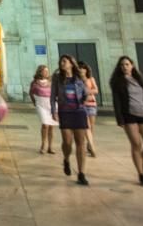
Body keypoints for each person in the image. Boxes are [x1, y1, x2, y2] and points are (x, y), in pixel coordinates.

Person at [110, 55, 143, 186]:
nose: (124, 67)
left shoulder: (139, 80)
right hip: (129, 115)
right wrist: (119, 118)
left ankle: (141, 161)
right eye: (122, 65)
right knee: (136, 144)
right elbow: (117, 102)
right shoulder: (117, 82)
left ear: (132, 65)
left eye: (127, 64)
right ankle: (141, 174)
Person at [50, 54, 89, 185]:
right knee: (67, 141)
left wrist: (84, 100)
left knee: (80, 142)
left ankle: (81, 173)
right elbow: (52, 95)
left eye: (65, 61)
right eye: (61, 61)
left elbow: (86, 92)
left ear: (71, 64)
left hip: (79, 111)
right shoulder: (57, 77)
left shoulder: (79, 77)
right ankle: (66, 159)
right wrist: (53, 111)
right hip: (64, 111)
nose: (62, 63)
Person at [29, 64, 56, 154]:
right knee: (45, 124)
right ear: (40, 72)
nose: (46, 73)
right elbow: (31, 92)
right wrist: (34, 102)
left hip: (51, 104)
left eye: (47, 71)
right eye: (44, 71)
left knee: (51, 126)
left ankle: (50, 147)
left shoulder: (51, 82)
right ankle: (43, 144)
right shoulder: (35, 82)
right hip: (41, 105)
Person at [78, 61, 99, 157]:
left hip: (91, 104)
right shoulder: (76, 80)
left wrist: (86, 91)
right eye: (79, 68)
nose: (81, 69)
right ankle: (91, 145)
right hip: (81, 105)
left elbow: (96, 90)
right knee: (87, 126)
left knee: (92, 126)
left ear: (86, 70)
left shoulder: (91, 79)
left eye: (83, 68)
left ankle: (89, 145)